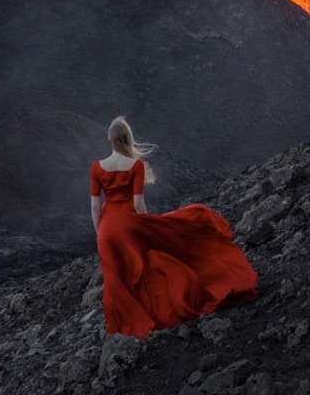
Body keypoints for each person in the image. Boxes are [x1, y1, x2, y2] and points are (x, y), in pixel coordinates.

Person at [89, 115, 258, 338]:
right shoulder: (136, 165)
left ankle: (122, 327)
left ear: (109, 140)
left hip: (107, 229)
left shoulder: (97, 168)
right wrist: (148, 227)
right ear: (128, 139)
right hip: (130, 224)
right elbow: (138, 203)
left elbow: (94, 206)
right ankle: (154, 311)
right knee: (145, 267)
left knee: (116, 278)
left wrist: (100, 233)